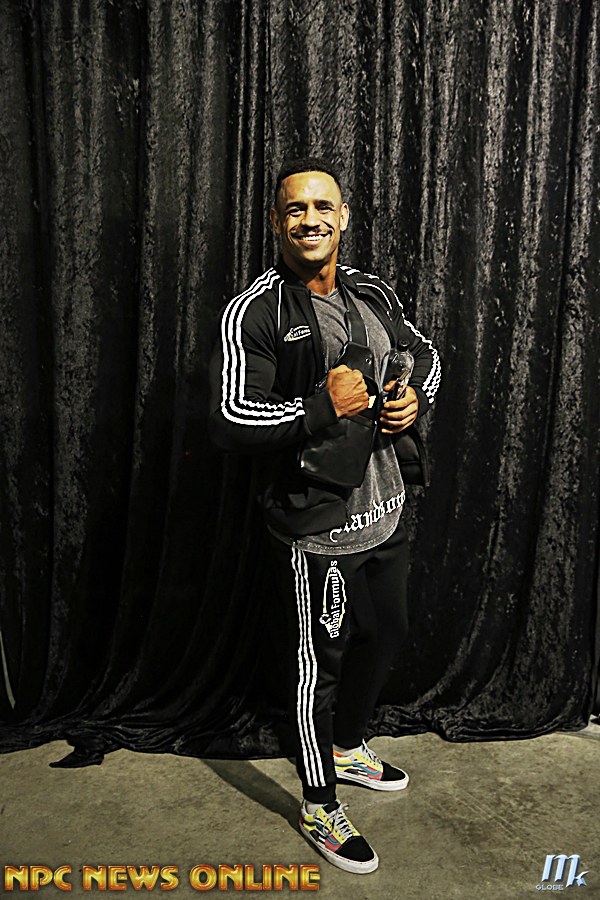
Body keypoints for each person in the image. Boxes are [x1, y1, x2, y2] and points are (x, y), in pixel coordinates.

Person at [209, 157, 441, 874]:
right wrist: (320, 407)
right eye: (295, 209)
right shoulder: (257, 311)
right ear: (277, 223)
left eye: (322, 207)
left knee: (389, 630)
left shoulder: (372, 291)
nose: (309, 220)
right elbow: (230, 417)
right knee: (318, 669)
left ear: (342, 218)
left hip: (385, 509)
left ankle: (347, 747)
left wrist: (414, 400)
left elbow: (426, 356)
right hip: (317, 530)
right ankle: (319, 803)